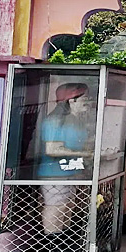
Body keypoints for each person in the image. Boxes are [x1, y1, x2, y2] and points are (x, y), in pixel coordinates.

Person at [37, 82, 94, 237]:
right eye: (85, 98)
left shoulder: (75, 120)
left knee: (67, 207)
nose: (88, 102)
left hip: (70, 172)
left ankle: (62, 239)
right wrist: (84, 154)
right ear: (71, 100)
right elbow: (53, 149)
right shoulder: (55, 120)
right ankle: (51, 241)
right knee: (56, 207)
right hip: (54, 173)